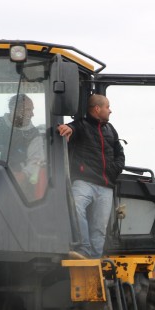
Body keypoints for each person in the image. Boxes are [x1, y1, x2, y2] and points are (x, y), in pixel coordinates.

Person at [57, 94, 125, 259]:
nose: (110, 111)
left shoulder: (111, 129)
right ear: (97, 108)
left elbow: (120, 154)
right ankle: (84, 249)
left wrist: (113, 170)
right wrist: (67, 128)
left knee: (99, 228)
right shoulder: (81, 125)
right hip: (84, 182)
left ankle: (94, 259)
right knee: (75, 208)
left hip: (106, 186)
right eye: (107, 107)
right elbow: (72, 128)